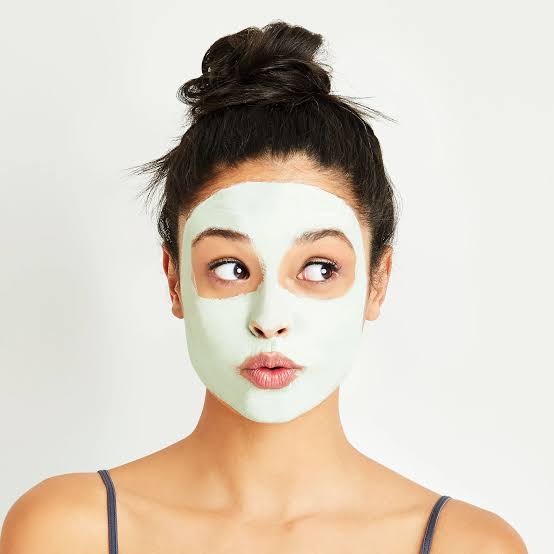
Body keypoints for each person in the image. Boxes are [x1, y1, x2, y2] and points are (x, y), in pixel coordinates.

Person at [0, 20, 527, 554]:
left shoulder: (468, 545)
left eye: (318, 269)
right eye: (231, 268)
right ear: (174, 279)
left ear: (378, 280)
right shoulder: (68, 530)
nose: (269, 318)